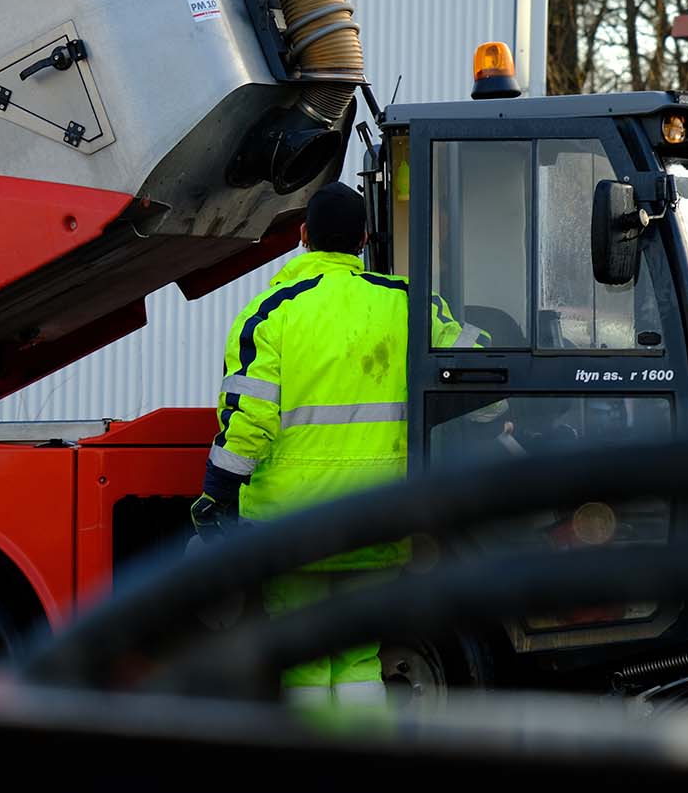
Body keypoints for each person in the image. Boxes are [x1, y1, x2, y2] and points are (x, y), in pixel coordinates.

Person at [189, 181, 486, 706]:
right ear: (365, 239)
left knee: (304, 657)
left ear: (303, 236)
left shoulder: (271, 313)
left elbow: (248, 423)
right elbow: (482, 367)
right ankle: (364, 771)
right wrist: (494, 418)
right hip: (376, 516)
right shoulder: (408, 303)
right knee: (358, 654)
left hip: (290, 523)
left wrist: (216, 495)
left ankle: (316, 778)